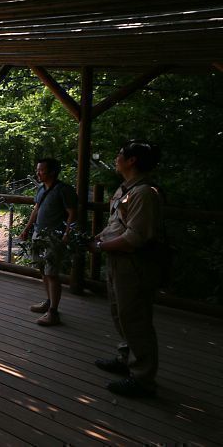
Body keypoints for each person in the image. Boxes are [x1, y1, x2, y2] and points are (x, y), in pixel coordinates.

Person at [88, 140, 164, 397]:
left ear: (132, 161)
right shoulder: (127, 189)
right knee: (121, 313)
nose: (116, 157)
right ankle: (126, 358)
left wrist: (100, 247)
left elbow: (135, 238)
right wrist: (99, 238)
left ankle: (142, 379)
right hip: (118, 260)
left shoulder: (144, 193)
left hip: (134, 263)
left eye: (120, 154)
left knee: (135, 318)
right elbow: (116, 225)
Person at [18, 158, 77, 326]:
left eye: (41, 170)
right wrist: (27, 229)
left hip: (54, 236)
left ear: (52, 172)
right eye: (37, 170)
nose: (37, 173)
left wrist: (67, 234)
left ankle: (53, 312)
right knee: (43, 270)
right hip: (39, 234)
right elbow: (36, 209)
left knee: (52, 273)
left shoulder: (63, 190)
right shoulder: (41, 188)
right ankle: (49, 302)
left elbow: (72, 213)